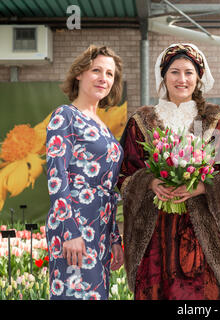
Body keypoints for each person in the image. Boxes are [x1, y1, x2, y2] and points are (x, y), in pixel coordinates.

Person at [118, 43, 220, 300]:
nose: (182, 79)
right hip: (153, 232)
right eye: (175, 72)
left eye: (189, 73)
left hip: (201, 233)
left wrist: (203, 186)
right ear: (163, 76)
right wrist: (150, 182)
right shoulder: (142, 120)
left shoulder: (216, 119)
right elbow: (124, 174)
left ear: (198, 78)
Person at [45, 45, 125, 300]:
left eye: (110, 74)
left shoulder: (102, 125)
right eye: (96, 70)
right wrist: (70, 231)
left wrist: (114, 237)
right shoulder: (65, 116)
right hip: (75, 225)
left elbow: (108, 186)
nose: (104, 78)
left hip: (100, 225)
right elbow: (57, 177)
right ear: (79, 74)